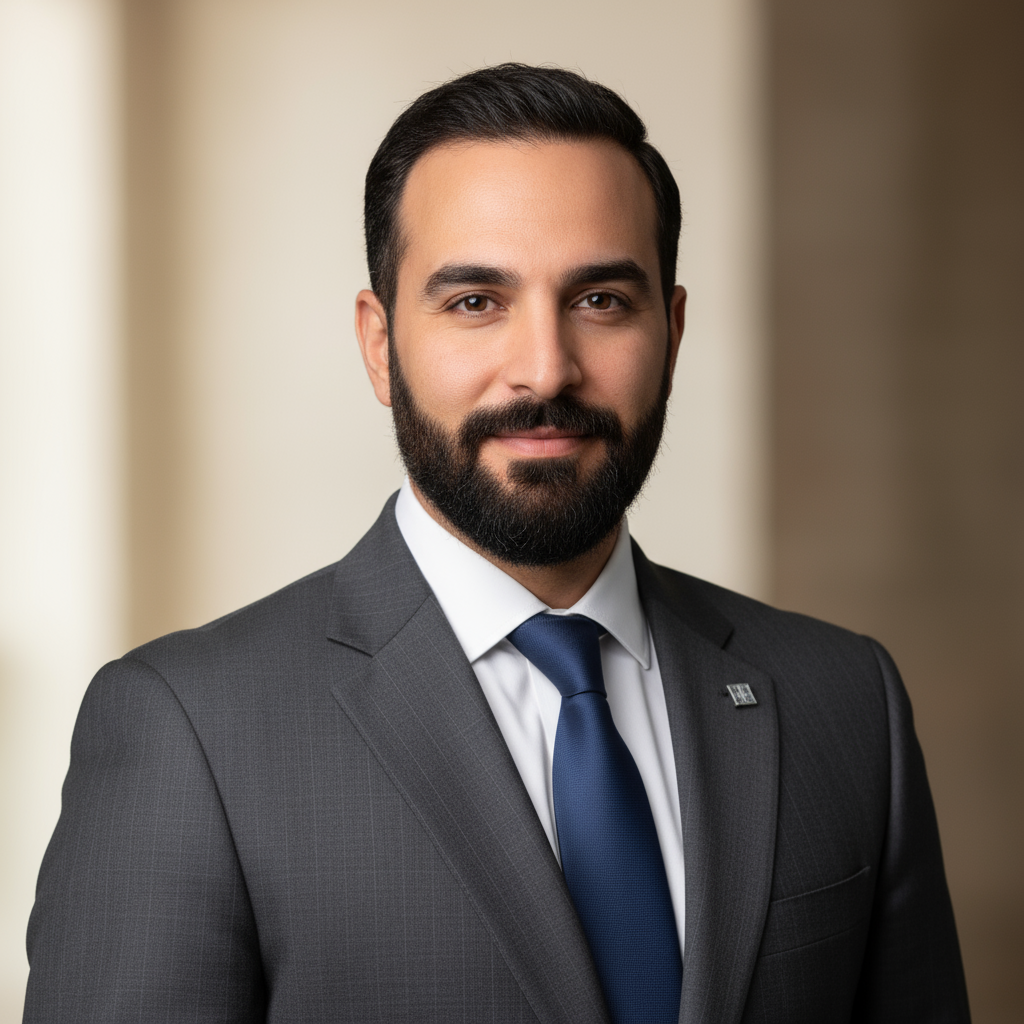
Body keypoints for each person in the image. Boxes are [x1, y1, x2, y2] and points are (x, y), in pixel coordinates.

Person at [23, 64, 969, 1024]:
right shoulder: (191, 731)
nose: (545, 370)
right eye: (476, 301)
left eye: (601, 300)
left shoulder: (845, 702)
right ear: (380, 345)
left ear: (673, 333)